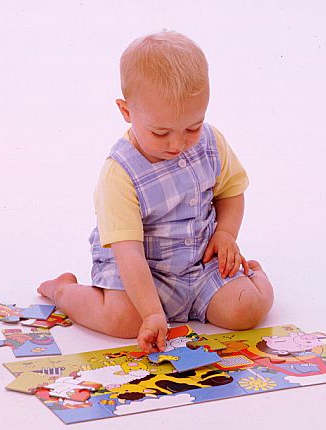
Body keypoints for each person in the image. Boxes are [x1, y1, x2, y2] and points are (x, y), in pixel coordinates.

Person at [38, 30, 274, 354]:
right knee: (123, 321)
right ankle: (64, 291)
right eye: (160, 132)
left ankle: (254, 274)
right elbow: (129, 253)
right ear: (126, 112)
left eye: (192, 127)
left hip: (200, 264)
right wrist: (150, 313)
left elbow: (231, 191)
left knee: (247, 308)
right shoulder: (119, 174)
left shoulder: (211, 142)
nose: (177, 144)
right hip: (140, 272)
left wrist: (226, 234)